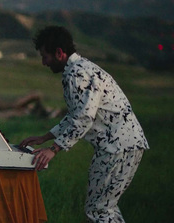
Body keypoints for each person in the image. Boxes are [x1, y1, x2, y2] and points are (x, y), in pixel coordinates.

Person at [19, 26, 149, 222]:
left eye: (45, 56)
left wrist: (53, 149)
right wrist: (45, 137)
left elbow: (84, 118)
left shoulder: (77, 74)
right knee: (105, 208)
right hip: (124, 146)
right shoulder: (81, 68)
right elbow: (76, 115)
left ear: (59, 53)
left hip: (116, 148)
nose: (43, 62)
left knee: (98, 210)